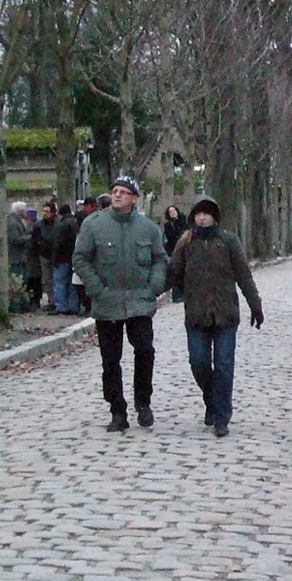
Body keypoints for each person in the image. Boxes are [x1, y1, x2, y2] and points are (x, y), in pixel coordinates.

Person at [72, 176, 170, 432]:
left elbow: (161, 259)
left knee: (145, 351)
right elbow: (81, 259)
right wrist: (97, 290)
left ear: (134, 198)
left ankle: (143, 401)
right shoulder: (94, 226)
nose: (117, 196)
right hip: (108, 302)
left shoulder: (148, 228)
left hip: (139, 301)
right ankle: (117, 409)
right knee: (110, 360)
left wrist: (153, 287)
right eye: (114, 191)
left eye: (124, 192)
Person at [168, 197, 262, 437]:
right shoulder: (186, 242)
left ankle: (222, 416)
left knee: (223, 365)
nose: (202, 218)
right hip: (197, 313)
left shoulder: (228, 241)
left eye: (207, 214)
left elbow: (243, 274)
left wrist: (255, 304)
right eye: (198, 213)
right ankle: (211, 398)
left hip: (225, 313)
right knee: (198, 362)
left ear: (215, 217)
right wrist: (147, 294)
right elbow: (172, 274)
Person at [6, 202, 38, 313]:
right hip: (16, 258)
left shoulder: (17, 221)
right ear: (20, 212)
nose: (26, 213)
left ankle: (21, 305)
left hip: (21, 258)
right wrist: (29, 237)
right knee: (18, 282)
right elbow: (15, 239)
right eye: (25, 210)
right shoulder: (13, 223)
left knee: (22, 282)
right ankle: (16, 307)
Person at [52, 203, 80, 314]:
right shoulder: (75, 223)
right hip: (72, 257)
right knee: (72, 284)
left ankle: (61, 306)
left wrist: (55, 259)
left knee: (60, 282)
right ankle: (73, 306)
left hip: (63, 258)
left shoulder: (62, 225)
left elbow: (59, 243)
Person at [34, 202, 60, 312]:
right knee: (46, 279)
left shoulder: (58, 224)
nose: (45, 214)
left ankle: (56, 300)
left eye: (47, 212)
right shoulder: (39, 225)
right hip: (44, 254)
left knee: (56, 279)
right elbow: (35, 238)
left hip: (56, 254)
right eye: (44, 211)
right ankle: (50, 300)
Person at [161, 204, 189, 303]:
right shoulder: (168, 225)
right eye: (170, 212)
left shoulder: (184, 222)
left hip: (185, 249)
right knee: (176, 271)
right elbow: (170, 238)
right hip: (174, 250)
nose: (172, 213)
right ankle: (177, 295)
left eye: (173, 211)